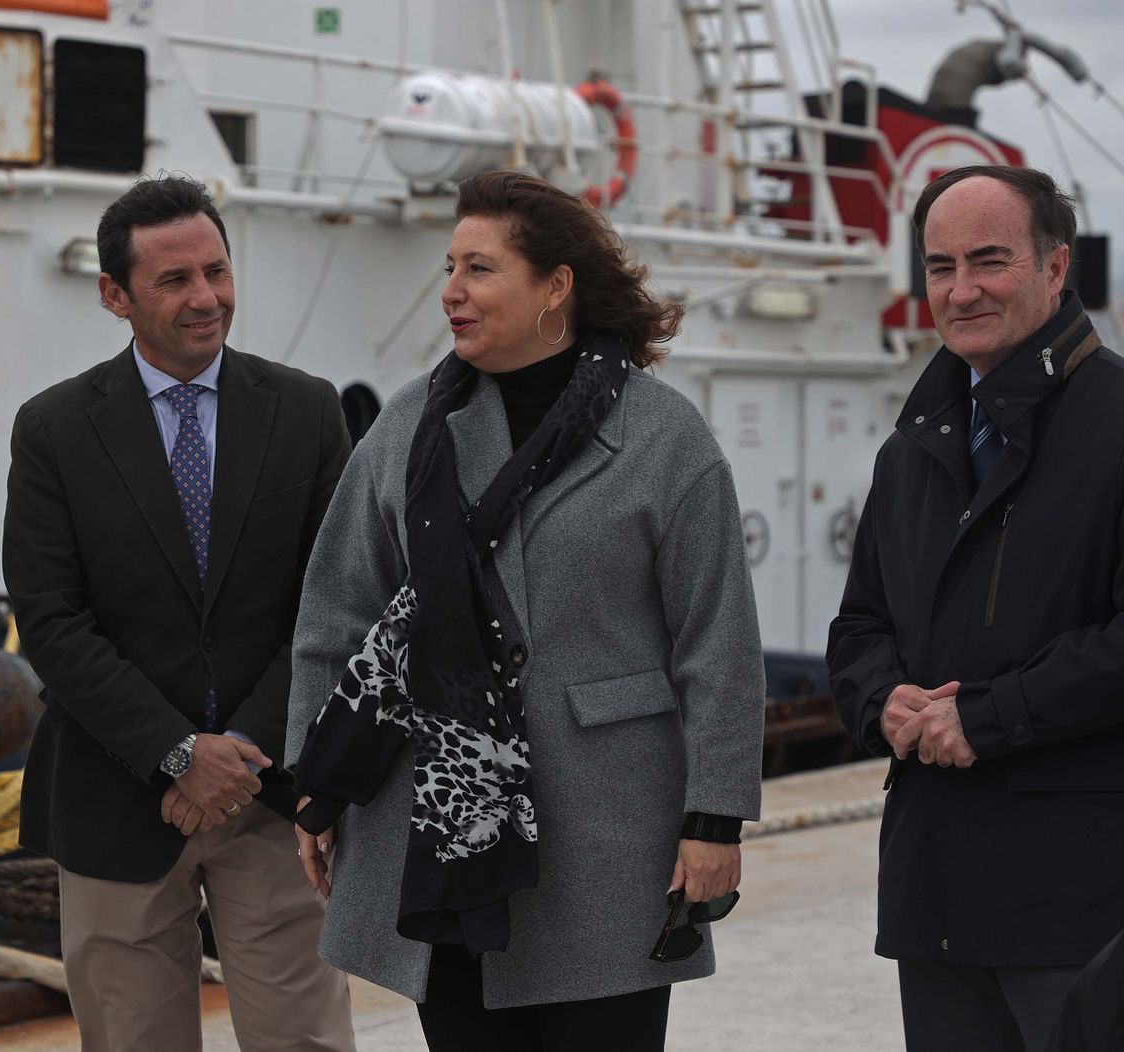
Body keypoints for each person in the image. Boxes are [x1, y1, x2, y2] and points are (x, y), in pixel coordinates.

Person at [285, 170, 766, 1052]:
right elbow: (335, 614)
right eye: (449, 267)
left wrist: (715, 820)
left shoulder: (664, 437)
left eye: (480, 268)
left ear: (556, 286)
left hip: (608, 835)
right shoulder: (405, 431)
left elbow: (719, 642)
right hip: (435, 830)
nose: (452, 293)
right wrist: (313, 779)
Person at [3, 175, 357, 1052]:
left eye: (217, 271)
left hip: (274, 799)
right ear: (114, 295)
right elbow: (50, 622)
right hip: (116, 799)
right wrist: (175, 753)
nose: (206, 298)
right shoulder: (52, 430)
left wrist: (234, 757)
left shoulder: (308, 411)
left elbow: (341, 600)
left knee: (306, 1040)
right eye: (174, 280)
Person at [827, 164, 1124, 1051]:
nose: (962, 291)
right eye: (940, 266)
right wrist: (881, 699)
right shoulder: (912, 448)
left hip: (1083, 905)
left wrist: (985, 719)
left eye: (988, 262)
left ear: (1056, 267)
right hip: (939, 896)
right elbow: (859, 627)